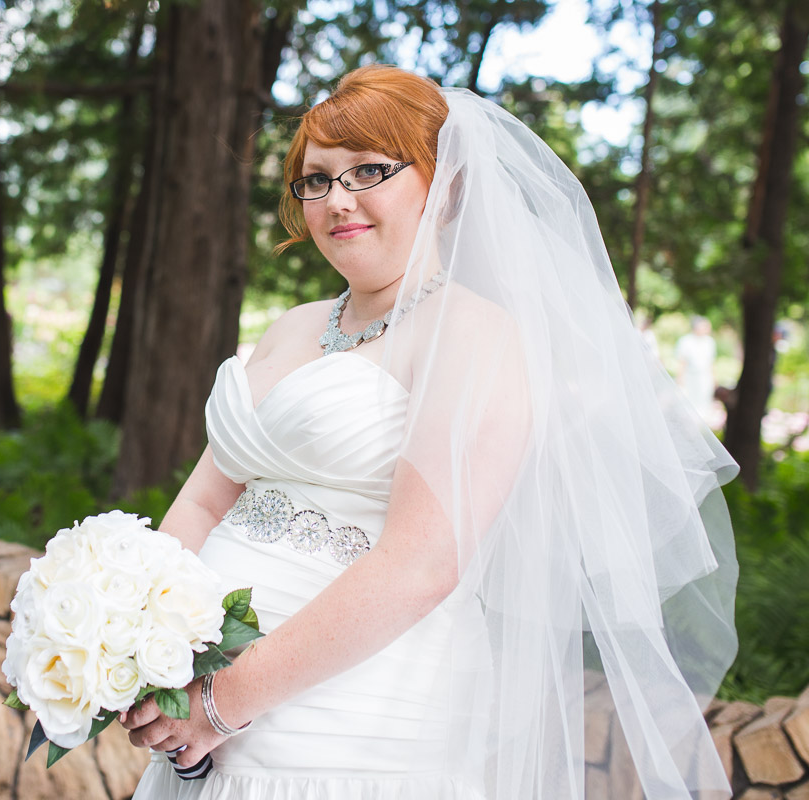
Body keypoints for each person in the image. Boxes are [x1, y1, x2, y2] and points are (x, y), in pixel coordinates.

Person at [121, 65, 738, 800]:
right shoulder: (288, 328)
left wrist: (223, 704)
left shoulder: (475, 335)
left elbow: (420, 566)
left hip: (349, 731)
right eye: (314, 180)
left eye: (369, 170)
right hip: (199, 723)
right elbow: (200, 504)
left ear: (443, 185)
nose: (337, 200)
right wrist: (132, 641)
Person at [675, 316, 718, 422]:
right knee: (688, 402)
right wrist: (680, 378)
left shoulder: (709, 342)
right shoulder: (686, 341)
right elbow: (682, 361)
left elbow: (711, 363)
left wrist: (714, 379)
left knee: (703, 403)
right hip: (690, 376)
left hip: (704, 376)